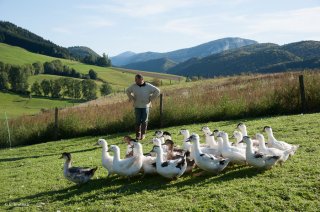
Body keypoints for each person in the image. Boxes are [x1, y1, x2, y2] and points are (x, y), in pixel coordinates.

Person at [126, 74, 160, 140]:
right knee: (137, 121)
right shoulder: (133, 86)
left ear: (141, 79)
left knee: (144, 121)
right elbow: (127, 91)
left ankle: (143, 134)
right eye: (135, 79)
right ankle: (138, 135)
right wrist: (132, 98)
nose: (135, 81)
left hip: (146, 106)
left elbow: (157, 91)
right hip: (137, 106)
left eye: (136, 79)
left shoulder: (148, 86)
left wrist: (151, 98)